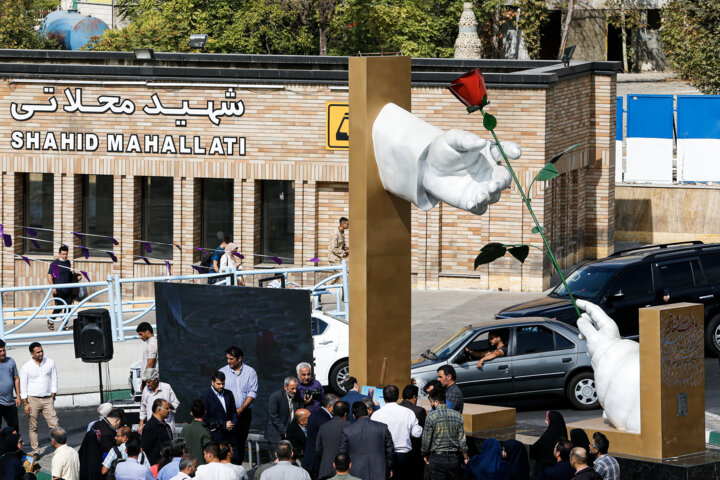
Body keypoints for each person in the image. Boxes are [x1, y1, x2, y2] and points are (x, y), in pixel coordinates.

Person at [371, 385, 421, 480]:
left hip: (383, 455)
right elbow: (416, 433)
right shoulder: (408, 412)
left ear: (384, 397)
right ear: (398, 397)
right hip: (404, 455)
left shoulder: (376, 415)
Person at [19, 341, 59, 455]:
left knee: (54, 424)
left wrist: (53, 394)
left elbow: (54, 378)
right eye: (38, 352)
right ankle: (36, 451)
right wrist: (25, 403)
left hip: (47, 399)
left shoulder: (50, 362)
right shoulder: (26, 367)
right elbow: (23, 385)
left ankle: (59, 448)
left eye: (41, 351)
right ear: (32, 354)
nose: (41, 354)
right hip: (33, 400)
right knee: (33, 427)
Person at [219, 346, 257, 464]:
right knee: (227, 442)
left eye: (231, 359)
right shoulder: (222, 372)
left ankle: (237, 466)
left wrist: (241, 409)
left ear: (239, 358)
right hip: (227, 413)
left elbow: (252, 392)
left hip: (244, 413)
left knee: (240, 442)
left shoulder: (250, 372)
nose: (228, 361)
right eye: (227, 359)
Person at [338, 401, 394, 480]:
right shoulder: (382, 427)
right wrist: (389, 467)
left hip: (356, 472)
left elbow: (342, 452)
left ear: (354, 416)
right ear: (367, 412)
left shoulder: (347, 430)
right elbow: (390, 450)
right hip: (380, 471)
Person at [421, 387, 468, 479]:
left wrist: (425, 454)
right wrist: (465, 457)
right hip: (454, 458)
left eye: (431, 401)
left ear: (437, 402)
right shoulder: (457, 416)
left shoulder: (431, 416)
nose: (431, 404)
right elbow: (462, 440)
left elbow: (426, 440)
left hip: (436, 458)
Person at [304, 393, 338, 478]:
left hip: (310, 458)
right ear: (330, 406)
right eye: (336, 406)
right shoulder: (325, 420)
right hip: (317, 461)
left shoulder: (314, 414)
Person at [201, 371, 238, 445]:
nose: (221, 386)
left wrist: (232, 424)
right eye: (218, 384)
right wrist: (224, 425)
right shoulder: (205, 397)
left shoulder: (229, 394)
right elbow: (206, 419)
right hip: (215, 439)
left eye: (223, 383)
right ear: (212, 382)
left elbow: (234, 412)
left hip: (231, 437)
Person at [316, 401, 349, 480]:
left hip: (325, 469)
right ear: (345, 413)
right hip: (344, 470)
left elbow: (318, 449)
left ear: (333, 411)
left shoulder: (323, 426)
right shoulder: (350, 426)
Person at [265, 377, 302, 448]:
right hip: (276, 435)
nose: (295, 391)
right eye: (292, 388)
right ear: (286, 387)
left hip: (290, 435)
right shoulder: (275, 397)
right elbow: (274, 417)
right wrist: (284, 431)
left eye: (296, 388)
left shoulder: (297, 395)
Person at [139, 368, 179, 434]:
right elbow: (143, 408)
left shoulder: (166, 387)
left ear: (156, 380)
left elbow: (176, 403)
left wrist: (168, 405)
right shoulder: (145, 390)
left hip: (166, 426)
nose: (147, 384)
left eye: (149, 382)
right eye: (145, 382)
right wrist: (141, 424)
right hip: (151, 426)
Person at [399, 385, 426, 479]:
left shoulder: (396, 408)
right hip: (415, 450)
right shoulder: (419, 411)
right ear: (414, 397)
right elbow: (423, 432)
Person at [530, 411, 568, 477]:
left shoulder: (547, 436)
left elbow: (534, 450)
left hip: (543, 470)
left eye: (547, 419)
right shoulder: (564, 438)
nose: (546, 421)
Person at [46, 244, 75, 330]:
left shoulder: (68, 262)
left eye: (66, 254)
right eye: (63, 254)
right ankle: (51, 320)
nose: (65, 256)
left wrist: (76, 276)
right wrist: (53, 287)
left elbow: (68, 274)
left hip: (68, 288)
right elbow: (49, 275)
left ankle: (64, 325)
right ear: (59, 254)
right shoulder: (55, 264)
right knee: (59, 306)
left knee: (68, 307)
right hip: (58, 289)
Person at [141, 399, 173, 465]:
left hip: (166, 464)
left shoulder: (166, 426)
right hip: (156, 467)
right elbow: (146, 449)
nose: (169, 410)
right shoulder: (150, 427)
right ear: (159, 411)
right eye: (167, 408)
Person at [181, 400, 211, 466]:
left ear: (191, 413)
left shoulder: (185, 429)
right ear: (205, 412)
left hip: (187, 466)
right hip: (201, 467)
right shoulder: (205, 431)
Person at [0, 340, 20, 432]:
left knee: (14, 428)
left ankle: (16, 446)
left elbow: (16, 379)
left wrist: (18, 396)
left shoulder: (11, 361)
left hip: (10, 402)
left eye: (4, 350)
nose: (3, 353)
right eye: (0, 351)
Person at [327, 217, 349, 284]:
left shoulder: (342, 233)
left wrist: (347, 249)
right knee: (345, 273)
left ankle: (322, 288)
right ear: (343, 224)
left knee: (335, 278)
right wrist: (344, 252)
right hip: (334, 259)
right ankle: (345, 294)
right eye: (347, 224)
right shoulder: (335, 234)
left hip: (338, 259)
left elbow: (341, 246)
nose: (348, 226)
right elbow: (334, 248)